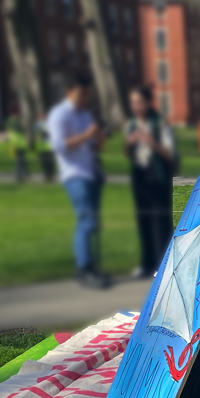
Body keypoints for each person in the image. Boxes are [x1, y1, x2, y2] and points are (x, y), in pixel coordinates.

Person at [48, 72, 110, 289]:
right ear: (68, 92)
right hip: (74, 174)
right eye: (81, 95)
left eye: (87, 96)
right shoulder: (59, 115)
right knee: (86, 220)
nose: (85, 100)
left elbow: (94, 146)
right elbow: (59, 146)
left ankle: (90, 265)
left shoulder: (85, 115)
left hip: (91, 173)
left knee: (92, 223)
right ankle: (83, 268)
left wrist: (98, 138)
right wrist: (86, 135)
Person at [125, 86, 176, 278]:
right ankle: (146, 263)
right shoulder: (132, 124)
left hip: (157, 177)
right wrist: (130, 143)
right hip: (140, 178)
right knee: (143, 220)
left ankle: (162, 264)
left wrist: (151, 142)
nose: (135, 106)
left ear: (147, 103)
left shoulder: (159, 124)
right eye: (132, 102)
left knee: (159, 222)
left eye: (138, 102)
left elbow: (170, 153)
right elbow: (128, 153)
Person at [5, 108, 29, 182]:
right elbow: (21, 129)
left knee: (20, 160)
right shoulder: (15, 122)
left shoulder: (9, 121)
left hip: (15, 143)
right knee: (20, 160)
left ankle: (23, 174)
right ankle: (20, 175)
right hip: (18, 143)